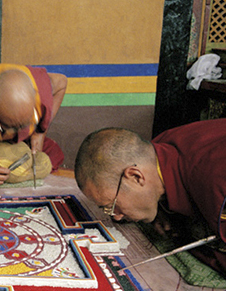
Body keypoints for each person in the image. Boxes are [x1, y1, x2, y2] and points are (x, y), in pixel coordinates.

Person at [74, 119, 226, 277]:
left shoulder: (213, 178)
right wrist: (160, 207)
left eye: (112, 206)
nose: (117, 217)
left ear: (136, 176)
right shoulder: (157, 151)